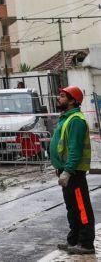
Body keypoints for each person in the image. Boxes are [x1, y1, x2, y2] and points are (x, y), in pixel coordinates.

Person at [50, 85, 95, 254]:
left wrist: (68, 171)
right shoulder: (66, 118)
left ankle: (86, 244)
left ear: (72, 101)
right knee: (72, 208)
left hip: (73, 173)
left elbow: (75, 149)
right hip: (66, 171)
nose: (58, 98)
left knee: (81, 208)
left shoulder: (75, 120)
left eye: (62, 96)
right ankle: (74, 240)